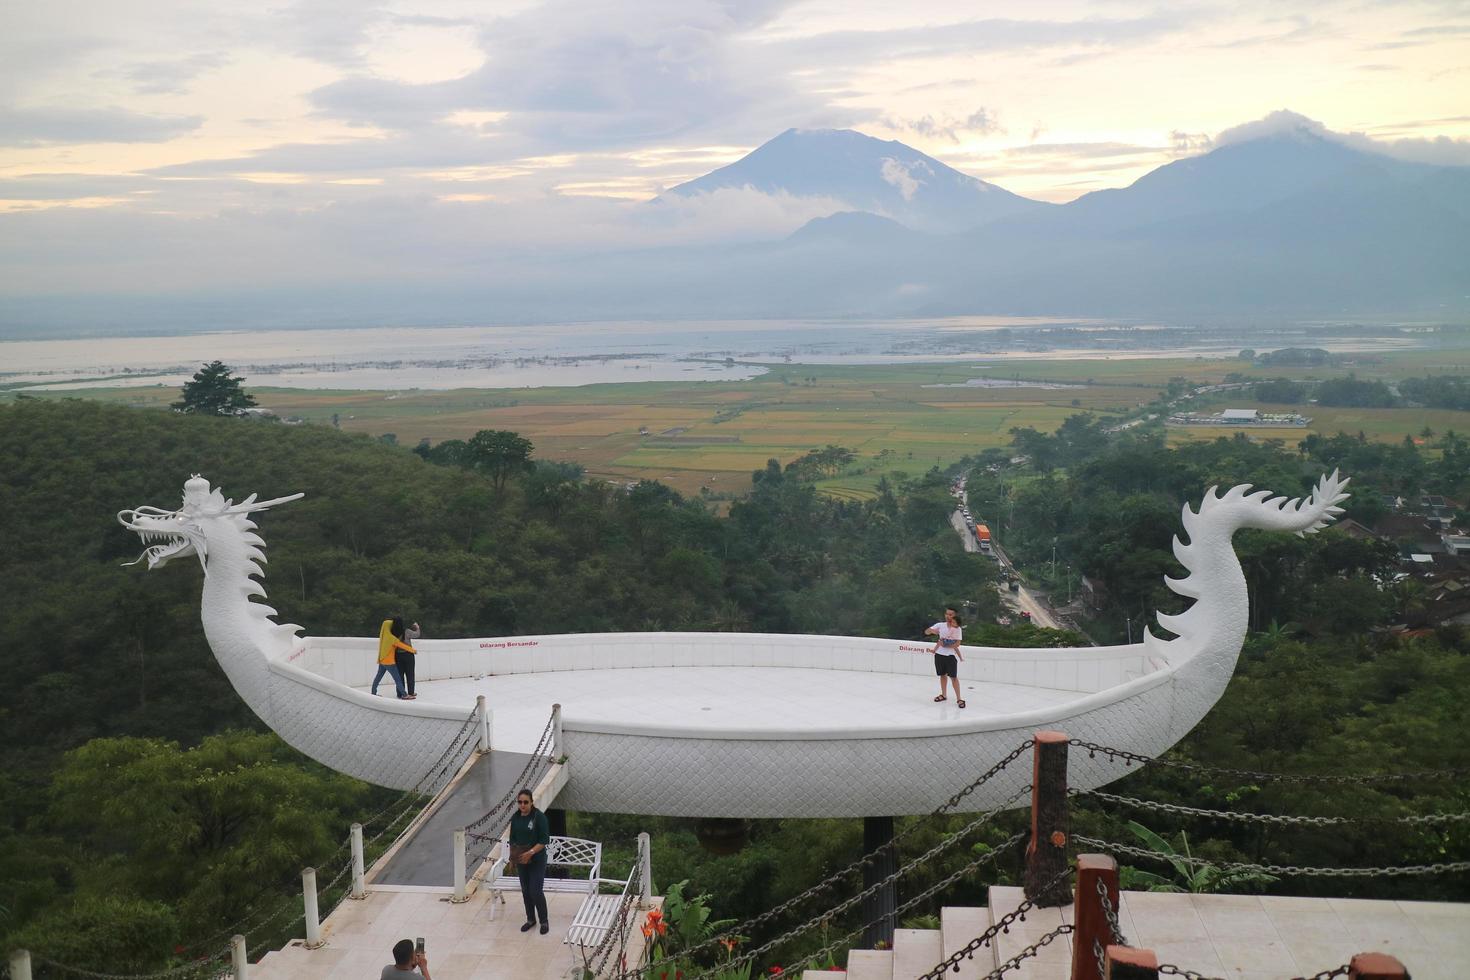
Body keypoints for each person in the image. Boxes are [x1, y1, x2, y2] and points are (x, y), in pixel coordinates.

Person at [510, 787, 551, 934]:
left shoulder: (539, 817)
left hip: (537, 859)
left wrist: (531, 852)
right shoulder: (515, 817)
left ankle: (544, 921)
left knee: (535, 890)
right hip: (522, 859)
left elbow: (544, 840)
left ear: (531, 802)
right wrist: (513, 857)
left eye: (525, 802)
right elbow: (513, 839)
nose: (522, 805)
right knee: (526, 890)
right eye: (520, 802)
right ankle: (530, 919)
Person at [924, 607, 966, 709]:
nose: (948, 616)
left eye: (951, 614)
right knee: (942, 675)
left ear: (954, 616)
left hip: (950, 656)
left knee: (953, 677)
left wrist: (946, 645)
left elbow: (958, 643)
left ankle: (959, 698)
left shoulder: (957, 628)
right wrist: (931, 631)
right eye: (947, 614)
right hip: (939, 655)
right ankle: (944, 695)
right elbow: (927, 632)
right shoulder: (940, 625)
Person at [372, 619, 406, 698]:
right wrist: (413, 650)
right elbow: (402, 645)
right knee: (397, 679)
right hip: (390, 662)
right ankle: (405, 695)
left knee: (377, 678)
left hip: (382, 661)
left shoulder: (383, 637)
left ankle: (373, 693)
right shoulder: (391, 637)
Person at [392, 616, 419, 700]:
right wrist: (417, 627)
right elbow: (417, 635)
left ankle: (400, 693)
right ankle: (411, 692)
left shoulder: (392, 633)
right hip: (408, 655)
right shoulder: (406, 631)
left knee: (399, 675)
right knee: (410, 674)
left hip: (397, 655)